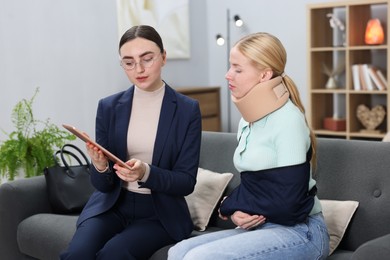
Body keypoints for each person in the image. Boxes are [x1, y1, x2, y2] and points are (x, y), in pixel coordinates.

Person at [168, 32, 330, 259]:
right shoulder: (248, 120)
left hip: (302, 231)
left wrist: (229, 204)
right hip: (263, 226)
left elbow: (288, 202)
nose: (227, 75)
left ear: (264, 75)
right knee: (178, 252)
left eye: (237, 69)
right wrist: (237, 212)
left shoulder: (288, 121)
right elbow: (258, 185)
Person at [60, 25, 202, 260]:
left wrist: (145, 172)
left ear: (164, 57)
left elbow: (186, 182)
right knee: (77, 254)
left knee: (113, 254)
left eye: (147, 59)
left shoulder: (187, 110)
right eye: (129, 62)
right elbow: (103, 185)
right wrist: (100, 166)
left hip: (158, 213)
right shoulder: (108, 107)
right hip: (112, 205)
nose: (139, 69)